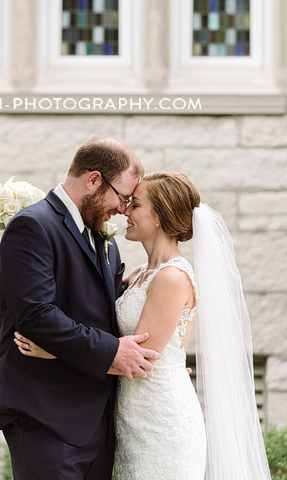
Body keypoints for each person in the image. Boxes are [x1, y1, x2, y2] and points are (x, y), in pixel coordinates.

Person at [16, 172, 271, 480]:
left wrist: (54, 352)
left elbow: (138, 360)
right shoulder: (140, 273)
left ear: (160, 217)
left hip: (161, 422)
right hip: (132, 419)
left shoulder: (172, 277)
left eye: (135, 204)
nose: (125, 211)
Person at [0, 136, 159, 480]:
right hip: (45, 416)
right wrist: (111, 352)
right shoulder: (33, 226)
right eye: (122, 197)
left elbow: (105, 311)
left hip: (99, 418)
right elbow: (35, 314)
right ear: (93, 180)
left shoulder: (102, 238)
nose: (123, 210)